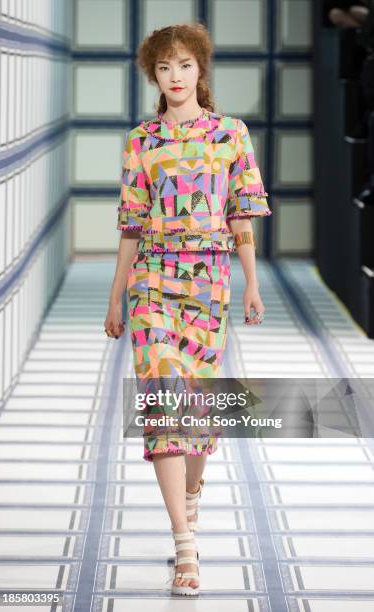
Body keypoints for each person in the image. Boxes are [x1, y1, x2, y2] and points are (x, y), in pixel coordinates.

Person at [104, 22, 272, 596]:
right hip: (151, 282)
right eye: (163, 68)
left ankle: (193, 493)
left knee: (196, 410)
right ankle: (184, 545)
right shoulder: (140, 140)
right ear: (154, 76)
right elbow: (130, 223)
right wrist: (115, 297)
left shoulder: (231, 134)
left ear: (200, 71)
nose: (174, 77)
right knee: (163, 402)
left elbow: (240, 213)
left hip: (208, 285)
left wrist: (250, 284)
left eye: (183, 66)